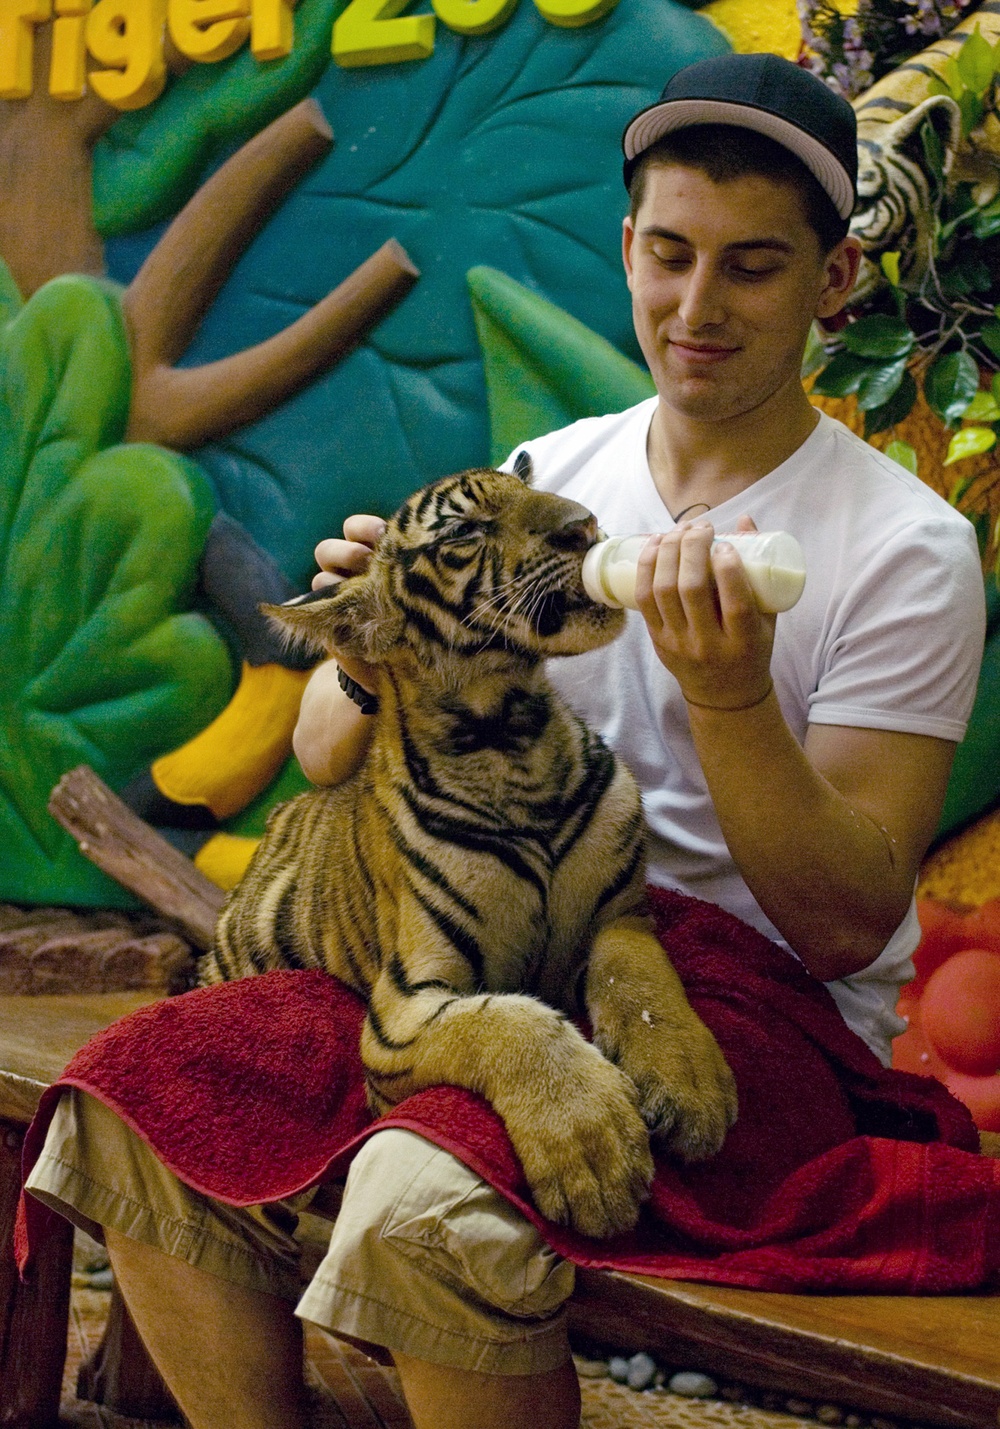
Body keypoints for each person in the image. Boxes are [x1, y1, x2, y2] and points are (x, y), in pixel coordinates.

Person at [25, 53, 985, 1429]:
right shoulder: (552, 474)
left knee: (421, 1200)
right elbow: (324, 755)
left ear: (835, 280)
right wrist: (380, 635)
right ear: (627, 247)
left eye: (753, 267)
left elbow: (840, 927)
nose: (696, 308)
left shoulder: (904, 547)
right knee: (132, 1093)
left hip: (752, 1009)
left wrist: (729, 701)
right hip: (487, 956)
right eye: (670, 256)